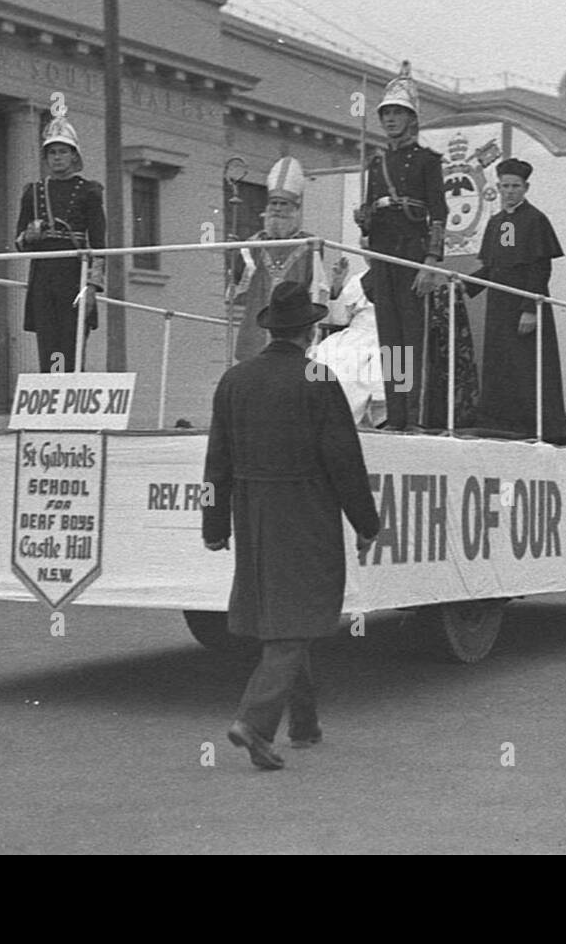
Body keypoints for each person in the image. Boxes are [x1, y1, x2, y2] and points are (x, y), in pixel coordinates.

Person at [202, 281, 381, 770]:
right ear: (309, 331)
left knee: (281, 612)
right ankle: (255, 723)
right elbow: (344, 460)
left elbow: (216, 463)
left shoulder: (234, 380)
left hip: (252, 510)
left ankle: (304, 723)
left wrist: (214, 525)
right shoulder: (318, 379)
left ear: (271, 330)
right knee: (299, 615)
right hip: (305, 509)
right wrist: (366, 522)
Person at [353, 68, 446, 430]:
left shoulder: (427, 161)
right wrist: (364, 218)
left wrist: (431, 262)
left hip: (412, 252)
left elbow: (439, 214)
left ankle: (416, 415)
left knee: (412, 339)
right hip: (383, 254)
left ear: (412, 119)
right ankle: (398, 412)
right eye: (385, 114)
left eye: (397, 113)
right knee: (391, 341)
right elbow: (370, 219)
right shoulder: (375, 163)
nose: (390, 119)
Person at [467, 157, 566, 442]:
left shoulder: (535, 219)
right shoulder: (497, 222)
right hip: (498, 305)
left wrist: (530, 309)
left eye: (515, 186)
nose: (509, 191)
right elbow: (491, 266)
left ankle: (534, 426)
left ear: (526, 187)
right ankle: (501, 423)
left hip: (525, 303)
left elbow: (540, 266)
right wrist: (465, 286)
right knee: (500, 363)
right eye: (505, 186)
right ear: (498, 187)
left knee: (527, 365)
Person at [16, 117, 105, 373]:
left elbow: (99, 243)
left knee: (72, 339)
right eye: (52, 152)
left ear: (74, 156)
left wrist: (91, 286)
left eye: (63, 152)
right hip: (44, 274)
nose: (57, 158)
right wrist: (30, 235)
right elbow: (19, 242)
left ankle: (70, 398)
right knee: (49, 343)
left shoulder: (89, 191)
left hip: (73, 273)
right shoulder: (33, 192)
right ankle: (51, 395)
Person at [229, 156, 325, 363]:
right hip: (257, 317)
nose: (278, 209)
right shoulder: (254, 244)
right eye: (273, 203)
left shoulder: (309, 245)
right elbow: (239, 280)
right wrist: (236, 253)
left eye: (283, 204)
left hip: (292, 321)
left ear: (295, 209)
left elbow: (316, 286)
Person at [311, 257, 387, 427]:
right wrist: (337, 284)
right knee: (324, 356)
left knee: (391, 360)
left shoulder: (401, 279)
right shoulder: (357, 280)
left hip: (385, 334)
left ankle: (378, 419)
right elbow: (338, 319)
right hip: (353, 335)